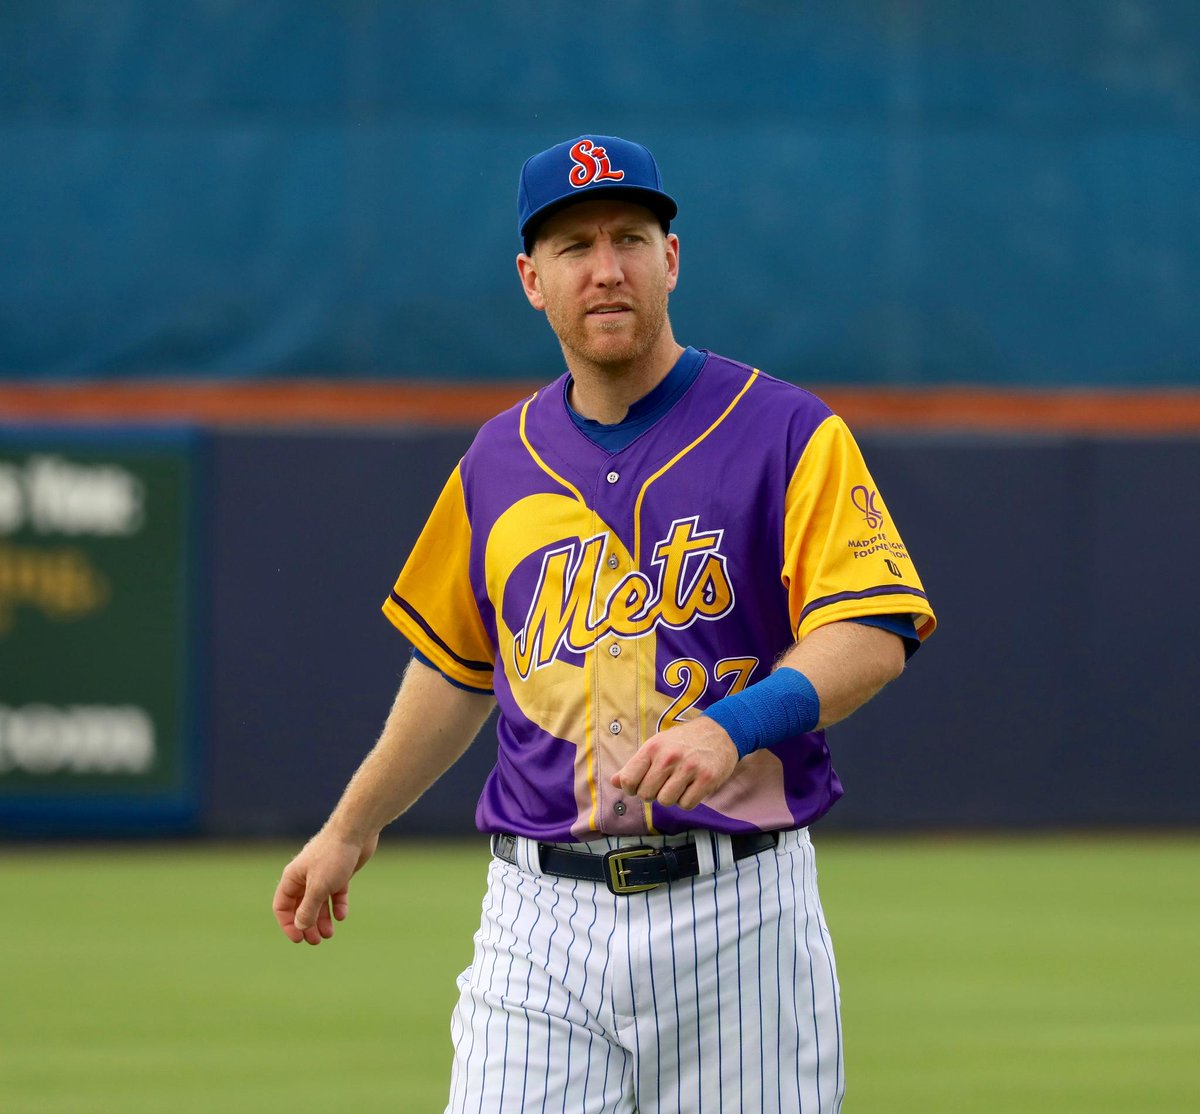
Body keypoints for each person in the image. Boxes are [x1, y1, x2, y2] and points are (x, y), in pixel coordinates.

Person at [273, 134, 936, 1113]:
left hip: (738, 911)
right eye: (574, 246)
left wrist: (731, 724)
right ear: (531, 278)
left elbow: (874, 628)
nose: (606, 267)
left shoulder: (785, 429)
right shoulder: (497, 461)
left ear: (671, 258)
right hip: (538, 920)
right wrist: (350, 825)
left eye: (630, 236)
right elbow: (459, 667)